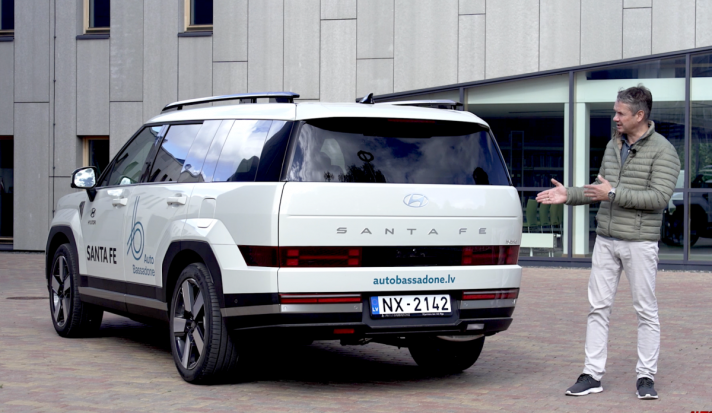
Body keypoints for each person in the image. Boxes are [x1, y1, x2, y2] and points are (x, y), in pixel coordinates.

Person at [536, 85, 680, 400]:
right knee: (597, 308)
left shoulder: (664, 151)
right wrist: (568, 194)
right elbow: (598, 190)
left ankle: (645, 377)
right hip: (606, 239)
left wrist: (613, 193)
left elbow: (659, 198)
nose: (615, 118)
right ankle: (592, 374)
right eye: (615, 112)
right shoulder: (613, 145)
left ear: (639, 115)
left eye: (620, 113)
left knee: (645, 310)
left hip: (639, 242)